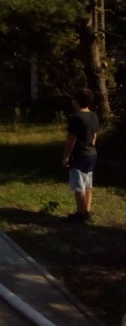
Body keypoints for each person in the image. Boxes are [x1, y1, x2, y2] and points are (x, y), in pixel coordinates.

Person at [62, 87, 99, 224]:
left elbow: (71, 140)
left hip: (79, 155)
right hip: (91, 154)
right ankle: (87, 211)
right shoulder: (93, 116)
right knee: (88, 184)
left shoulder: (75, 117)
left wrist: (66, 156)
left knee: (79, 187)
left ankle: (81, 214)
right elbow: (94, 136)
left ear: (76, 101)